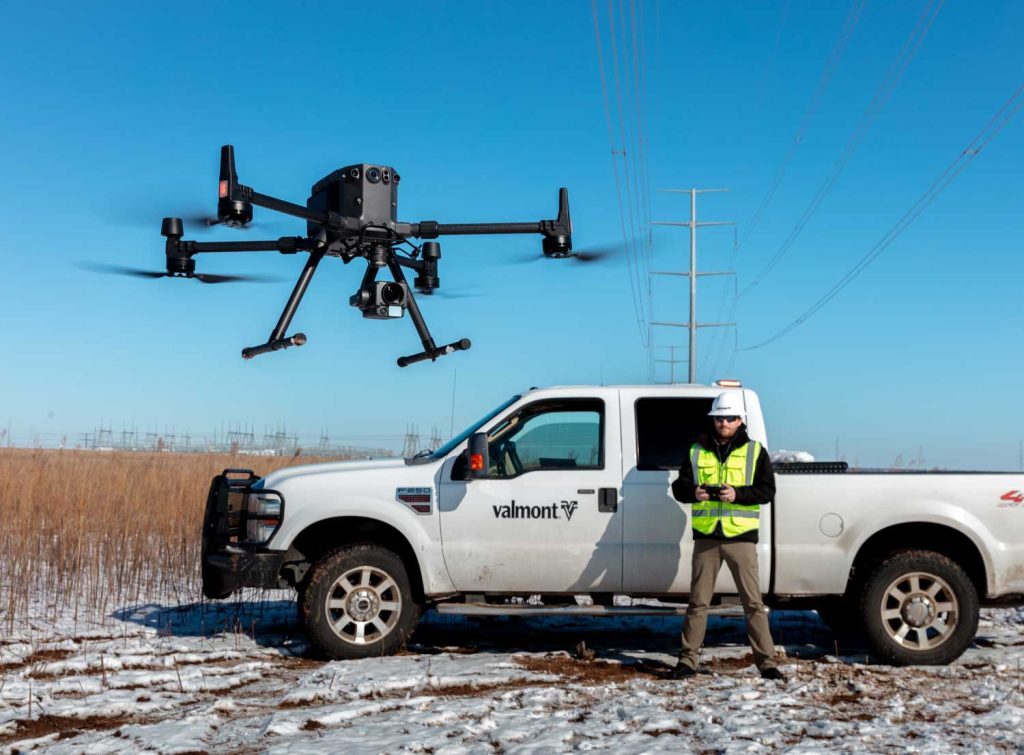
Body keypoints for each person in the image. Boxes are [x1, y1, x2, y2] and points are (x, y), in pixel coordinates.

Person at [669, 391, 785, 681]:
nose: (724, 422)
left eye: (730, 418)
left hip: (741, 538)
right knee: (698, 603)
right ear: (713, 420)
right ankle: (687, 662)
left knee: (753, 604)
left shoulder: (755, 452)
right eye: (720, 418)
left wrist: (738, 495)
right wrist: (692, 492)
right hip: (706, 538)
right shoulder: (696, 450)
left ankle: (767, 664)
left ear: (739, 421)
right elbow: (679, 487)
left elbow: (767, 491)